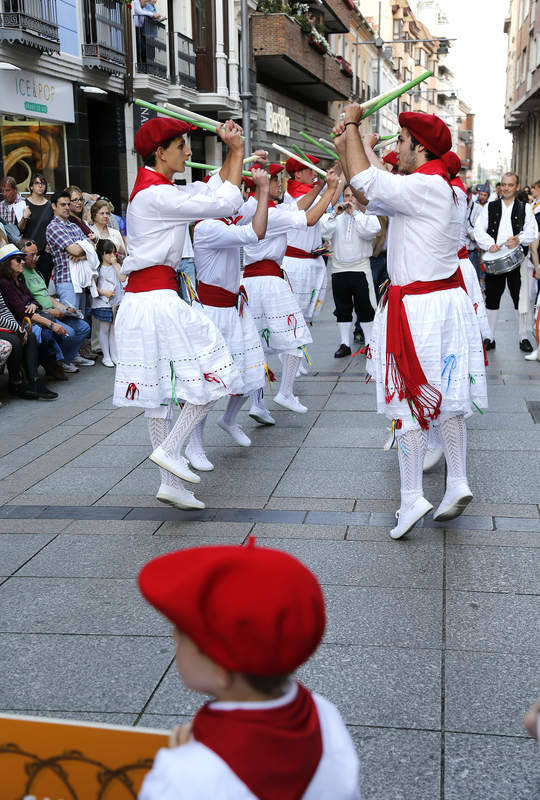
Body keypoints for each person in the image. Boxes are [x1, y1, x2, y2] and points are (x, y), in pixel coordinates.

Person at [334, 109, 487, 540]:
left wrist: (351, 126)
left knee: (410, 402)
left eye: (402, 140)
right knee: (448, 396)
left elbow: (366, 183)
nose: (396, 147)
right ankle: (456, 480)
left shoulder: (424, 186)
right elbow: (368, 194)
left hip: (419, 308)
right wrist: (351, 144)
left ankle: (411, 497)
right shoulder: (442, 186)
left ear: (420, 147)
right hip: (442, 303)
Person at [137, 540, 361, 799]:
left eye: (183, 633)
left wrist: (181, 763)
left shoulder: (180, 778)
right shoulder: (324, 715)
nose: (174, 636)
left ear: (221, 668)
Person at [113, 116, 246, 511]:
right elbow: (223, 202)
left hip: (144, 301)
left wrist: (234, 156)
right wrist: (235, 151)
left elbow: (213, 190)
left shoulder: (154, 190)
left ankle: (170, 482)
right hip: (155, 300)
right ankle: (172, 451)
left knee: (158, 398)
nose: (189, 152)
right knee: (215, 374)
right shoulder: (157, 196)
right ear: (161, 152)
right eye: (182, 146)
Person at [242, 162, 339, 416]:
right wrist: (329, 189)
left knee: (257, 344)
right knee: (295, 337)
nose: (280, 184)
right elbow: (307, 218)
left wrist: (319, 189)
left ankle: (257, 404)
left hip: (252, 282)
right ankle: (284, 392)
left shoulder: (255, 207)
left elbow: (296, 207)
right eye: (276, 180)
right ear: (264, 184)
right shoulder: (267, 213)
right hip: (268, 283)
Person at [188, 167, 269, 469]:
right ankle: (194, 447)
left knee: (252, 372)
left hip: (235, 310)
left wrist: (258, 181)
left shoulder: (225, 220)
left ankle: (230, 418)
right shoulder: (209, 226)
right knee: (204, 384)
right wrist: (261, 188)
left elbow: (250, 210)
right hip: (211, 314)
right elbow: (254, 231)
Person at [473, 172, 538, 353]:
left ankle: (523, 337)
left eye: (510, 185)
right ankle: (490, 337)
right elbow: (479, 230)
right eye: (503, 184)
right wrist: (489, 244)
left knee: (520, 298)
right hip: (496, 259)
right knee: (492, 298)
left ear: (517, 187)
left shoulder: (524, 208)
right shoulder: (490, 207)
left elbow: (532, 231)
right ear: (500, 186)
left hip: (517, 260)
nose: (506, 188)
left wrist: (519, 240)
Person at [321, 186, 380, 357]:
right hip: (339, 268)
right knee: (342, 308)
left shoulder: (366, 216)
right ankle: (344, 344)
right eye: (346, 196)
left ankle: (369, 343)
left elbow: (370, 231)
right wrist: (334, 214)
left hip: (360, 267)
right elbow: (323, 231)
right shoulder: (335, 218)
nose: (350, 199)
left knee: (366, 307)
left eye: (353, 196)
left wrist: (355, 213)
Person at [282, 155, 341, 325]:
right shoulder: (295, 197)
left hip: (310, 263)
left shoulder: (309, 193)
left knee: (305, 321)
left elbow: (330, 195)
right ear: (297, 174)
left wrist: (344, 159)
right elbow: (327, 200)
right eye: (309, 168)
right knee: (294, 321)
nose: (314, 172)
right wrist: (329, 186)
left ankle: (300, 351)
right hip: (295, 266)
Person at [20, 238, 90, 377]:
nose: (35, 258)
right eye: (31, 255)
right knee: (68, 332)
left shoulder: (36, 272)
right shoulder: (22, 274)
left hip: (54, 312)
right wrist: (51, 312)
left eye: (36, 254)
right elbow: (26, 305)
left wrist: (65, 308)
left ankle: (64, 360)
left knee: (83, 327)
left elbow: (47, 296)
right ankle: (56, 362)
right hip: (41, 314)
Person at [0, 243, 58, 399]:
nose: (22, 262)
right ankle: (16, 382)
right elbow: (17, 310)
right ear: (7, 263)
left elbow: (4, 310)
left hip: (12, 323)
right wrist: (18, 329)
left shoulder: (19, 278)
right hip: (10, 325)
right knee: (17, 339)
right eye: (18, 260)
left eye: (22, 259)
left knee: (30, 336)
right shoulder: (4, 283)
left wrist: (19, 326)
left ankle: (34, 381)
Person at [92, 239, 126, 367]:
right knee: (104, 328)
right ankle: (106, 356)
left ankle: (114, 355)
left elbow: (122, 278)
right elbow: (92, 287)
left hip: (115, 302)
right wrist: (102, 292)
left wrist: (116, 264)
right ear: (101, 254)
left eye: (113, 253)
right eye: (108, 253)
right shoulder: (97, 269)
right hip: (103, 303)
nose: (111, 256)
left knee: (113, 329)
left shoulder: (116, 266)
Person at [19, 173, 54, 285]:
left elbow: (53, 226)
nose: (40, 186)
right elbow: (19, 229)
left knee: (43, 285)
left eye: (43, 183)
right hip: (27, 252)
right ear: (31, 186)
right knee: (27, 285)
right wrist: (25, 217)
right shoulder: (23, 204)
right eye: (37, 183)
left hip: (44, 252)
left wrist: (50, 243)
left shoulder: (50, 206)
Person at [466, 181, 489, 279]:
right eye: (481, 194)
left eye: (485, 195)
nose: (482, 197)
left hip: (475, 251)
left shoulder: (482, 209)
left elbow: (482, 232)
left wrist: (468, 233)